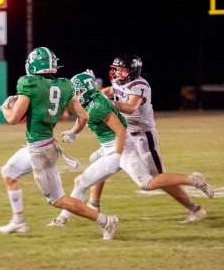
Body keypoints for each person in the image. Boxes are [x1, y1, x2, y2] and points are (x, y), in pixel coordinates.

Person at [48, 70, 213, 226]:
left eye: (77, 91)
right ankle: (74, 214)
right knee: (88, 169)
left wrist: (117, 155)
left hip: (120, 147)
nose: (74, 95)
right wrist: (73, 132)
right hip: (110, 147)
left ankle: (193, 180)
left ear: (86, 92)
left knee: (147, 183)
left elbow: (120, 130)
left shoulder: (98, 106)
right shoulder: (91, 101)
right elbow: (83, 117)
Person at [0, 47, 119, 240]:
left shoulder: (29, 83)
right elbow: (83, 116)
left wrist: (4, 108)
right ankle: (18, 221)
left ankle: (106, 221)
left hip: (40, 151)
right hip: (42, 146)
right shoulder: (64, 85)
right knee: (9, 172)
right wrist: (73, 132)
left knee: (58, 200)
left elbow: (13, 118)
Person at [89, 54, 210, 222]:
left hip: (143, 136)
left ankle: (194, 199)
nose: (116, 73)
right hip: (125, 133)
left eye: (121, 70)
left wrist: (108, 104)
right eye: (115, 69)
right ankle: (93, 205)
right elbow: (112, 90)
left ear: (132, 71)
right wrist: (101, 94)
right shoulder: (119, 81)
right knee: (100, 161)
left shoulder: (140, 85)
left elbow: (131, 107)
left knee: (156, 179)